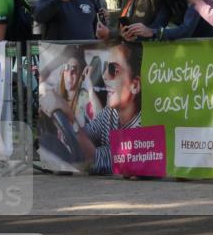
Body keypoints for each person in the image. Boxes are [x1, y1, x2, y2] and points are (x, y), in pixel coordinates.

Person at [38, 39, 142, 175]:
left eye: (113, 70)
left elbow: (95, 161)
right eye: (105, 68)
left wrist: (70, 118)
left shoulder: (142, 127)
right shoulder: (111, 113)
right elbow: (86, 134)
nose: (104, 76)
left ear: (134, 85)